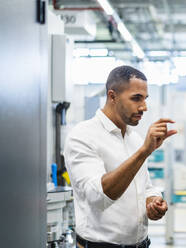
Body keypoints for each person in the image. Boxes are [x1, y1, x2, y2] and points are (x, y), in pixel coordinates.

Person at [64, 65, 177, 248]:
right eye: (136, 98)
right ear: (112, 96)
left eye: (145, 99)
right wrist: (143, 152)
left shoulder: (135, 138)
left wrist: (153, 201)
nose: (144, 107)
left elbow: (144, 186)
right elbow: (98, 197)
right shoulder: (82, 135)